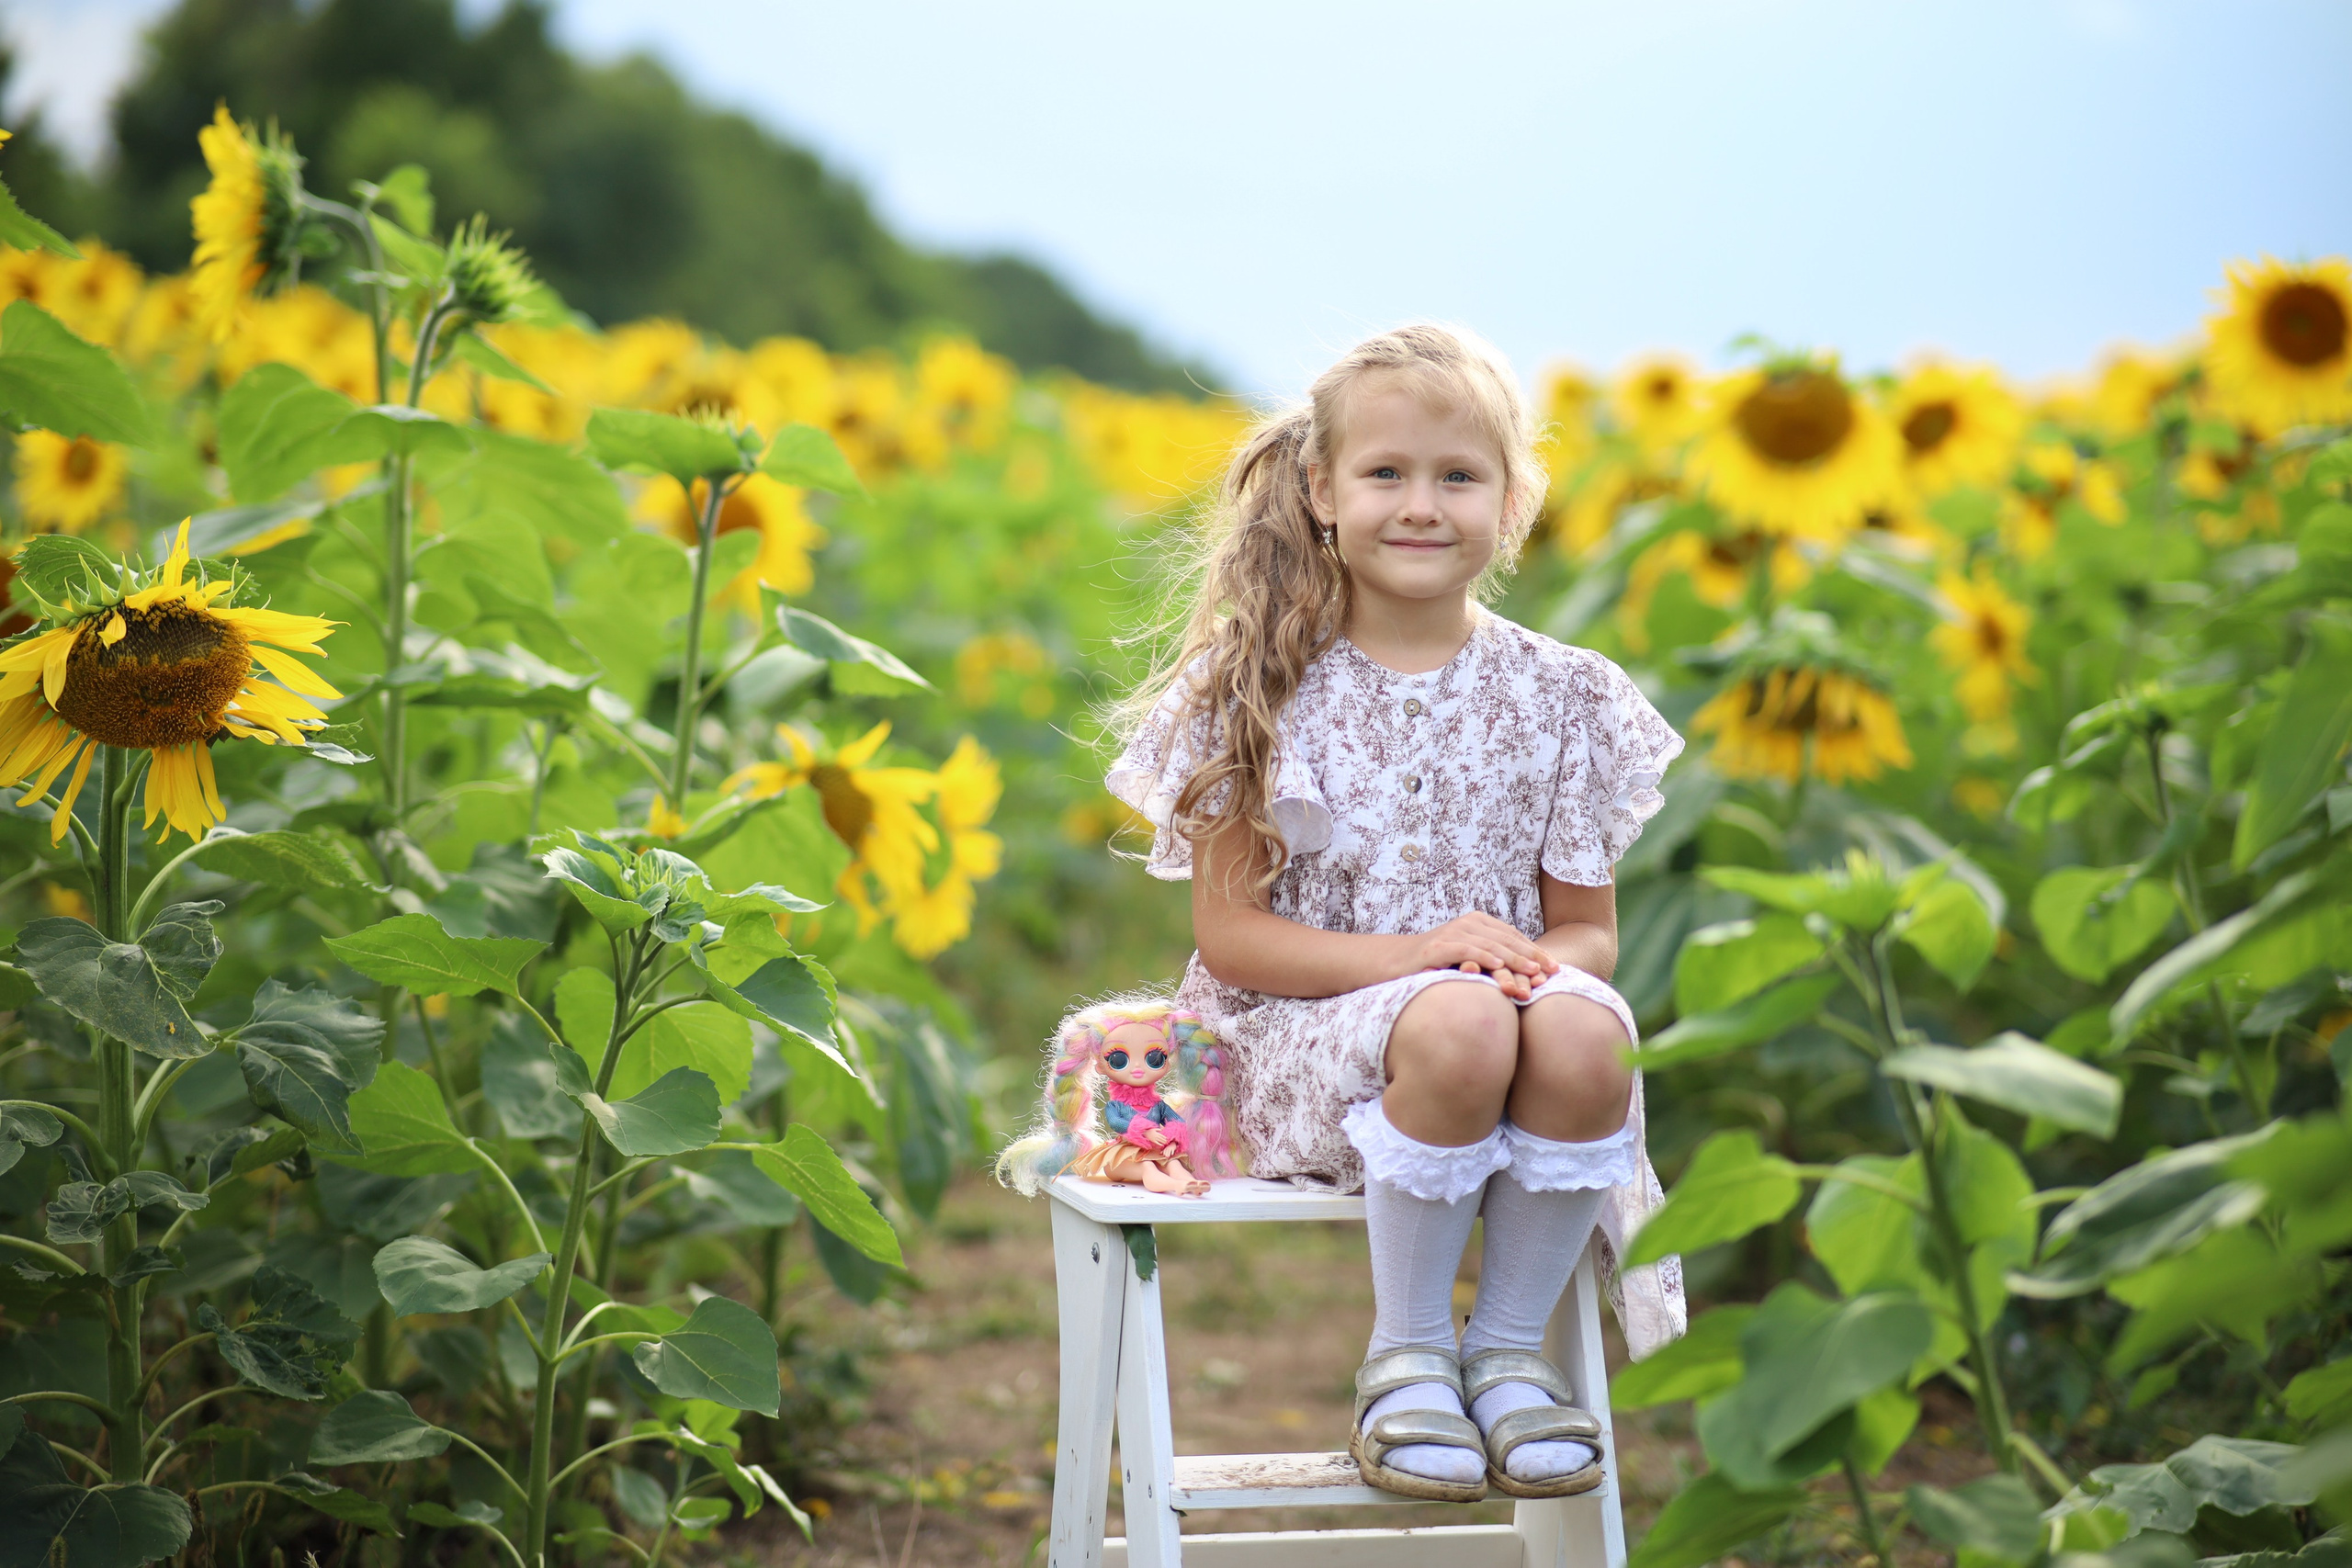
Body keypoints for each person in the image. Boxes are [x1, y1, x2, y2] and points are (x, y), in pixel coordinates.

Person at [1103, 323, 1685, 1503]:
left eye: (1459, 477)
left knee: (1587, 1025)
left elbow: (1585, 932)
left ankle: (1507, 1353)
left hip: (1491, 1023)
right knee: (1461, 1022)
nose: (1422, 505)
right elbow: (1234, 940)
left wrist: (1523, 971)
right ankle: (1406, 1358)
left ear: (1512, 501)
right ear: (1321, 492)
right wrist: (1425, 962)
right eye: (1386, 474)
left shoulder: (1564, 694)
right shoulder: (1257, 682)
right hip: (1286, 1046)